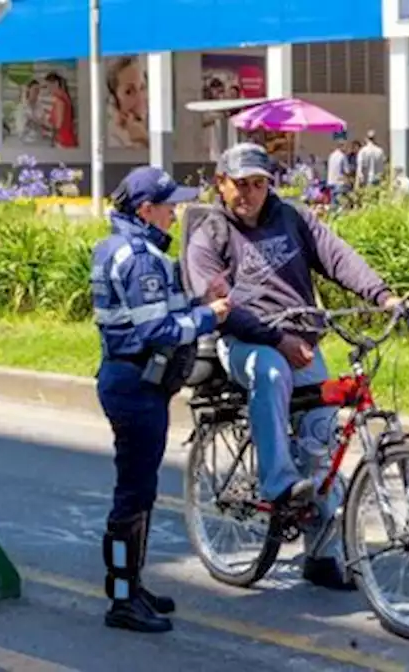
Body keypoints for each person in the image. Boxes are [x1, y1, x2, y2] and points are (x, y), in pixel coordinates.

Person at [183, 142, 409, 589]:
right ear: (221, 184)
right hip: (249, 342)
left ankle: (322, 555)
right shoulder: (209, 235)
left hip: (302, 342)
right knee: (270, 373)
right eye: (240, 185)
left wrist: (384, 296)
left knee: (322, 441)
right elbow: (219, 304)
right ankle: (277, 485)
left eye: (258, 184)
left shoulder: (292, 218)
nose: (249, 194)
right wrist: (276, 339)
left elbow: (337, 256)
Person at [92, 166, 232, 633]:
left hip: (132, 382)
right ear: (146, 210)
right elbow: (158, 331)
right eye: (169, 205)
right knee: (132, 494)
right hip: (135, 385)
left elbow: (164, 313)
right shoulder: (138, 259)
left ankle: (132, 584)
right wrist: (209, 318)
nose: (176, 212)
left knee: (142, 491)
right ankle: (121, 598)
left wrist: (199, 305)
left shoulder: (127, 248)